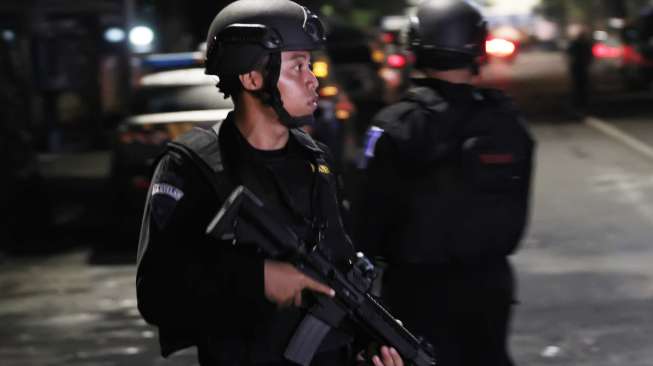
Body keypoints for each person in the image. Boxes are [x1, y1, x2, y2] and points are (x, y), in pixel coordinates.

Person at [135, 1, 403, 365]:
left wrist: (366, 349)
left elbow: (340, 273)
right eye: (297, 66)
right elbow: (156, 295)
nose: (312, 79)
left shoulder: (316, 162)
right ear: (251, 77)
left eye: (309, 65)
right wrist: (257, 279)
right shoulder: (193, 168)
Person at [354, 1, 535, 366]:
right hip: (491, 284)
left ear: (416, 47)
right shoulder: (507, 122)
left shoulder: (394, 125)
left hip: (417, 291)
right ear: (478, 47)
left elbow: (365, 224)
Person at [566, 27, 594, 115]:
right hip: (579, 67)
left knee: (580, 86)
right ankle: (580, 104)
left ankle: (580, 104)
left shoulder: (580, 44)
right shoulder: (580, 44)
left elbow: (569, 53)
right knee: (580, 86)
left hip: (580, 67)